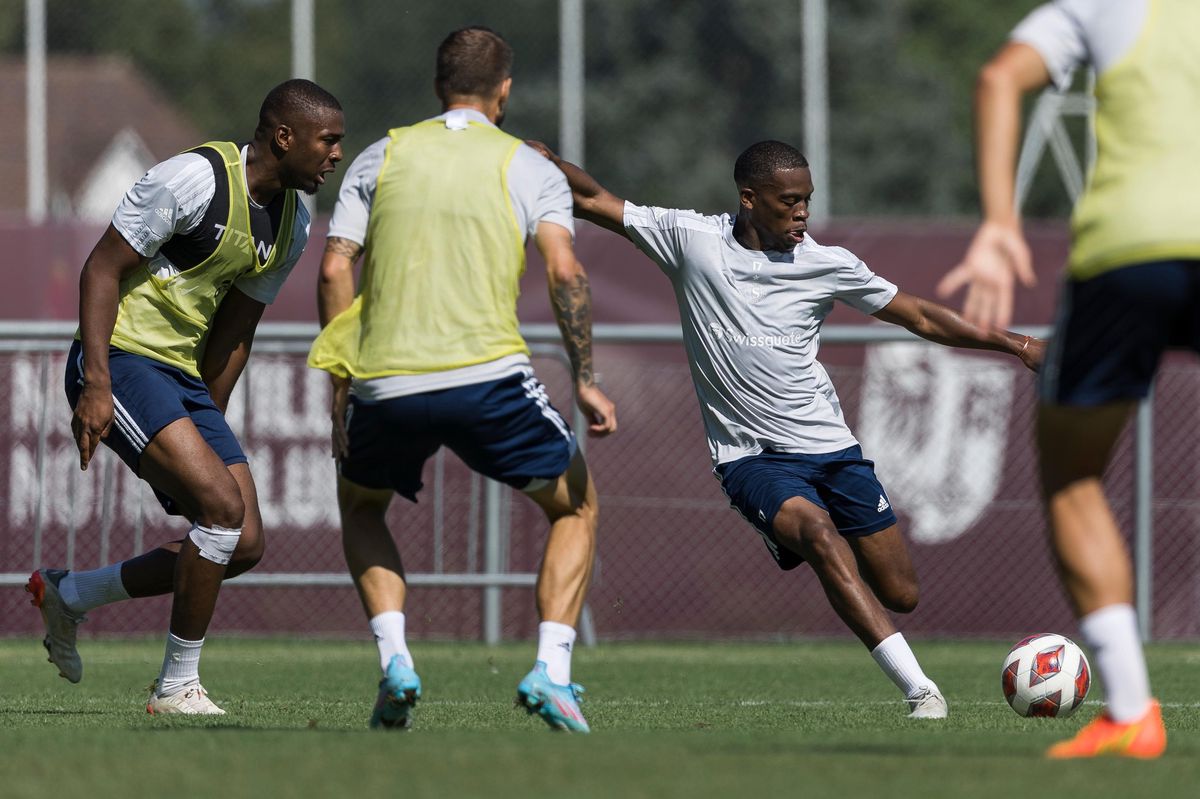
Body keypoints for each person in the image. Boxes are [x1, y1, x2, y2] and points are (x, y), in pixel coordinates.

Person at [531, 138, 1043, 720]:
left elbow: (921, 316)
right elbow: (595, 199)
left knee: (902, 594)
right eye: (789, 201)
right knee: (821, 538)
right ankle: (921, 691)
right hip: (751, 458)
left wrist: (1018, 344)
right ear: (749, 200)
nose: (802, 213)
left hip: (834, 450)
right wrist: (531, 162)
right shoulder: (692, 240)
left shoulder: (828, 264)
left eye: (807, 201)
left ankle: (794, 536)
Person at [308, 27, 616, 733]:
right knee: (576, 507)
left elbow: (333, 269)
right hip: (487, 379)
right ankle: (553, 672)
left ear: (437, 85)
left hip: (384, 381)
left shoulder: (379, 156)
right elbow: (566, 271)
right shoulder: (526, 165)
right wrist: (587, 379)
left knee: (361, 507)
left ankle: (396, 662)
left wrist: (341, 388)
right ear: (503, 91)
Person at [25, 79, 345, 715]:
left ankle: (72, 594)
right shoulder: (194, 179)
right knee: (222, 512)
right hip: (119, 359)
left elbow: (235, 332)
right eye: (328, 140)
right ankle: (176, 687)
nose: (336, 153)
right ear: (285, 137)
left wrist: (207, 419)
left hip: (181, 377)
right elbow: (101, 268)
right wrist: (95, 381)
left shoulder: (294, 225)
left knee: (243, 540)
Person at [936, 0, 1189, 759]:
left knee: (1074, 477)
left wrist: (1000, 222)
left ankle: (1133, 709)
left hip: (1130, 249)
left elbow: (998, 78)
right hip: (1132, 250)